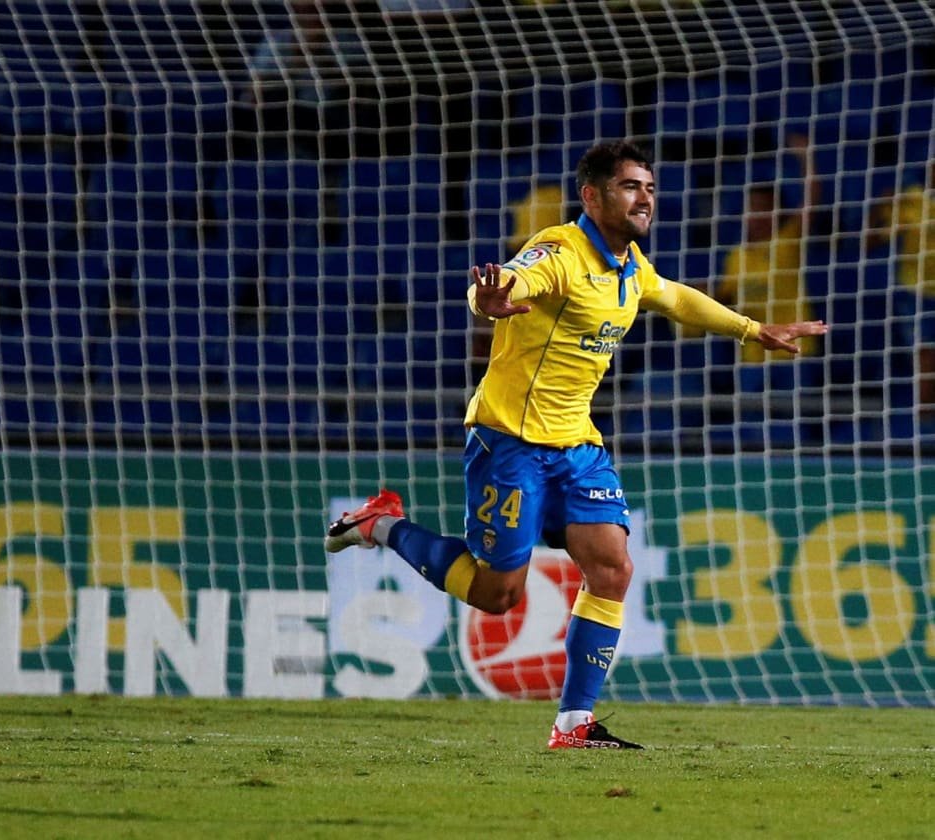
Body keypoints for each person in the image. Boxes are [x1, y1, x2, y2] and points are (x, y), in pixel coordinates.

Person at [326, 140, 826, 749]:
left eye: (649, 187)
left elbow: (673, 297)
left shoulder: (630, 265)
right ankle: (381, 525)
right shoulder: (561, 252)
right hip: (510, 441)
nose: (644, 198)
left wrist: (752, 329)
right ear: (592, 196)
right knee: (497, 595)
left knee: (612, 568)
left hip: (577, 445)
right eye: (630, 187)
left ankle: (574, 724)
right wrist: (487, 300)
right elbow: (512, 278)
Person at [710, 133, 822, 375]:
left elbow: (811, 202)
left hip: (794, 356)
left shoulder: (787, 242)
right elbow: (725, 298)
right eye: (753, 208)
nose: (757, 215)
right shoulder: (736, 257)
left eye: (764, 208)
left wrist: (807, 158)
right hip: (752, 360)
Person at [893, 159, 935, 428]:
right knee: (926, 357)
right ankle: (924, 426)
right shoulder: (912, 198)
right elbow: (872, 238)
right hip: (917, 292)